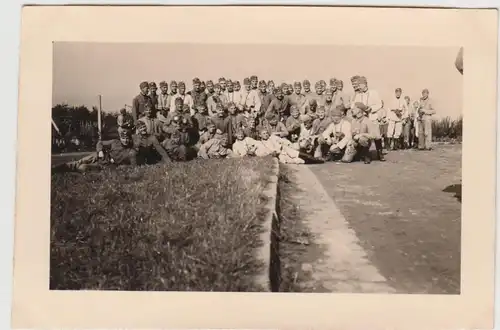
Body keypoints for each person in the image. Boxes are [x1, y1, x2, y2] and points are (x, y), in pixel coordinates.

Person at [51, 129, 138, 173]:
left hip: (106, 165)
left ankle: (73, 167)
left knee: (82, 167)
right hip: (100, 156)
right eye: (123, 138)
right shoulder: (115, 142)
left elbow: (133, 167)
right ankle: (58, 168)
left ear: (130, 139)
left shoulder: (131, 152)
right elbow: (100, 143)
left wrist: (118, 165)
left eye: (127, 138)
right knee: (80, 161)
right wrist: (100, 151)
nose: (125, 140)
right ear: (120, 138)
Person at [350, 76, 385, 161]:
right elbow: (354, 105)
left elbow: (379, 104)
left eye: (360, 85)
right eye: (357, 85)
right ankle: (366, 154)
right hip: (363, 118)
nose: (358, 87)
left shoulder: (374, 93)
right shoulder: (358, 95)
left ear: (365, 84)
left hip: (372, 116)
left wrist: (371, 108)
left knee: (376, 135)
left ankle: (380, 153)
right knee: (364, 136)